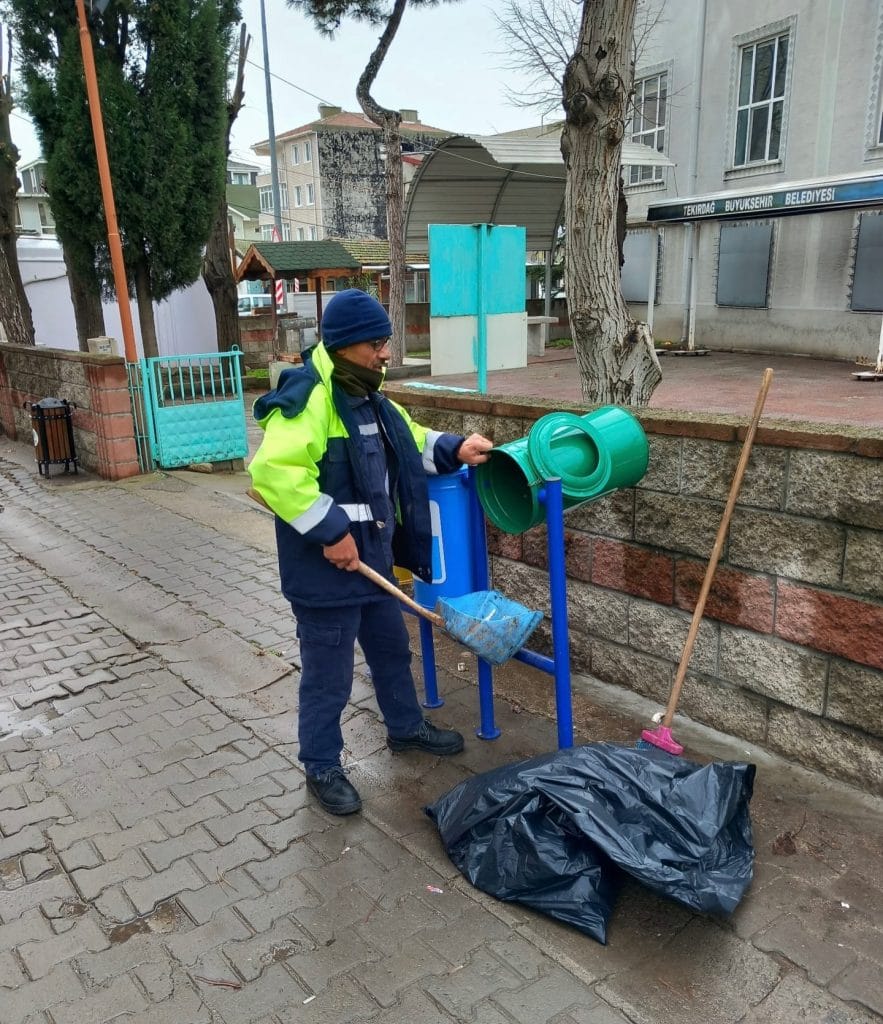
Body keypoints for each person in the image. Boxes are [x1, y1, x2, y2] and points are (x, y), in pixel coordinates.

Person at [248, 289, 493, 815]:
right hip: (326, 574)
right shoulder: (310, 397)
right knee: (328, 678)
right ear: (344, 346)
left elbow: (412, 440)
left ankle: (405, 729)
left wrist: (456, 447)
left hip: (373, 565)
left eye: (386, 342)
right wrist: (331, 531)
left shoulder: (370, 396)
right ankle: (321, 764)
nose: (386, 353)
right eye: (377, 344)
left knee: (390, 653)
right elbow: (273, 473)